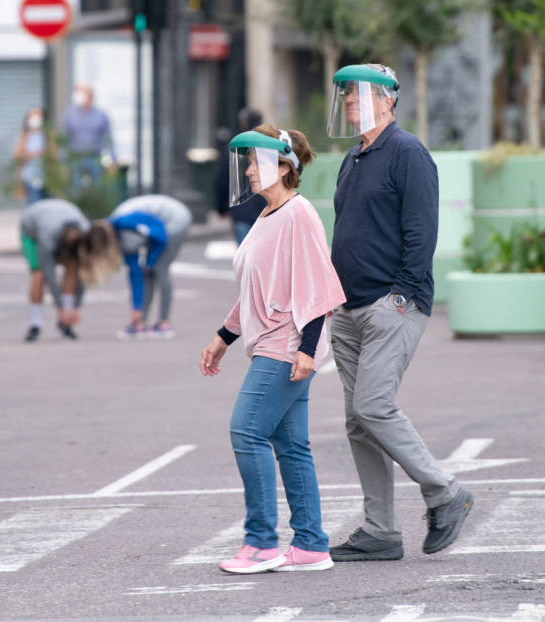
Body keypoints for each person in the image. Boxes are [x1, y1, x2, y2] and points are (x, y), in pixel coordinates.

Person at [325, 63, 473, 561]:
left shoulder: (407, 152)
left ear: (389, 99)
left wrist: (402, 297)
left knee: (373, 405)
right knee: (357, 421)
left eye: (359, 92)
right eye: (345, 93)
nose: (349, 100)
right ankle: (381, 531)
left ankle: (445, 492)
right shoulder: (355, 156)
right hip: (346, 308)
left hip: (392, 304)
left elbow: (421, 233)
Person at [199, 125, 347, 573]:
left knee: (246, 432)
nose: (247, 170)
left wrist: (307, 350)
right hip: (268, 341)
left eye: (255, 161)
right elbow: (256, 291)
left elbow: (320, 286)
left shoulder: (299, 214)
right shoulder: (268, 216)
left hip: (285, 345)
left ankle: (262, 542)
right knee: (291, 446)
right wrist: (223, 338)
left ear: (284, 166)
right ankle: (310, 546)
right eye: (245, 162)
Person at [105, 194, 192, 339]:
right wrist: (136, 307)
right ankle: (141, 320)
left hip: (176, 219)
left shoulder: (125, 229)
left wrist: (150, 261)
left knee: (159, 267)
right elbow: (134, 271)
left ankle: (163, 322)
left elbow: (160, 238)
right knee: (147, 270)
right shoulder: (117, 229)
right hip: (163, 221)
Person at [19, 198, 89, 342]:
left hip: (57, 217)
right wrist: (60, 308)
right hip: (31, 230)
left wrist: (76, 307)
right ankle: (35, 324)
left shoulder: (85, 232)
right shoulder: (47, 238)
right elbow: (50, 277)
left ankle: (66, 323)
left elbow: (85, 273)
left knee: (73, 265)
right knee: (39, 274)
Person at [213, 107, 266, 245]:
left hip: (241, 210)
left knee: (245, 254)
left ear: (242, 124)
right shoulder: (269, 147)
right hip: (266, 210)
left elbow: (223, 180)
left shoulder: (234, 147)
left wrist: (222, 208)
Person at [62, 84, 115, 189]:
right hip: (75, 158)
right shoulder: (69, 114)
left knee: (97, 189)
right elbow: (64, 139)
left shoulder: (101, 115)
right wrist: (63, 162)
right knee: (75, 189)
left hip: (94, 157)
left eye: (83, 93)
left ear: (91, 96)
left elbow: (108, 139)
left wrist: (112, 160)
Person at [13, 107, 53, 205]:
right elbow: (17, 156)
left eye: (38, 115)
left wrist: (44, 153)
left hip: (46, 176)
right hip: (30, 176)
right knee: (34, 203)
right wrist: (30, 155)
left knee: (46, 204)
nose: (36, 118)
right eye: (33, 115)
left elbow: (54, 154)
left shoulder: (48, 135)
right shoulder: (24, 136)